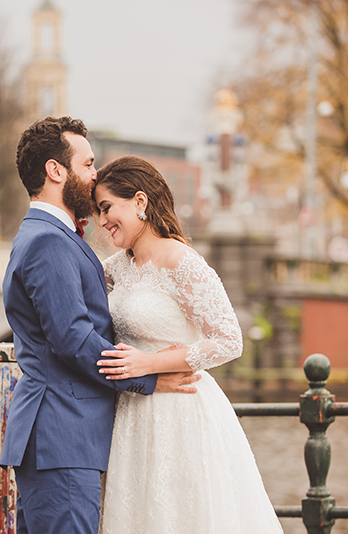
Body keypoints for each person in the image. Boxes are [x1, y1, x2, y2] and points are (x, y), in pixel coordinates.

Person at [0, 118, 201, 534]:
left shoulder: (48, 235)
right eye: (88, 164)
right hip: (62, 436)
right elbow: (72, 338)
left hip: (64, 439)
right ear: (57, 171)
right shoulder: (48, 241)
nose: (94, 177)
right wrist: (147, 376)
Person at [92, 155, 283, 534]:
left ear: (140, 202)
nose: (101, 221)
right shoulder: (117, 267)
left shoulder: (182, 261)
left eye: (107, 208)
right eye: (99, 211)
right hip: (131, 414)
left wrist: (149, 364)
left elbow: (229, 340)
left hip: (179, 411)